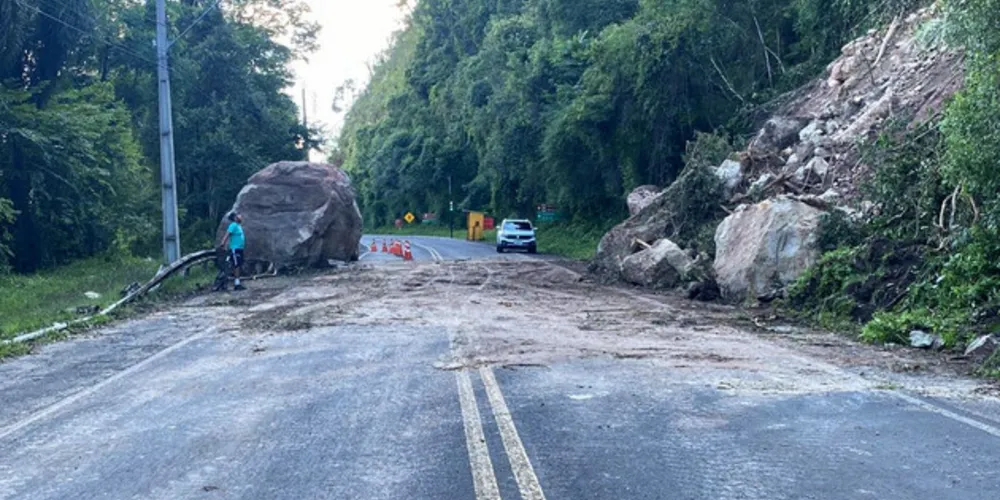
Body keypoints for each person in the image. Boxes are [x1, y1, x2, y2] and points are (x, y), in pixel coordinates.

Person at [220, 212, 246, 291]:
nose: (241, 216)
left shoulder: (238, 226)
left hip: (240, 248)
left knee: (238, 264)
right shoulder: (233, 225)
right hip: (235, 249)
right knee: (236, 265)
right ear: (235, 218)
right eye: (239, 215)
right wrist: (222, 244)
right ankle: (236, 284)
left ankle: (232, 282)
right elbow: (227, 234)